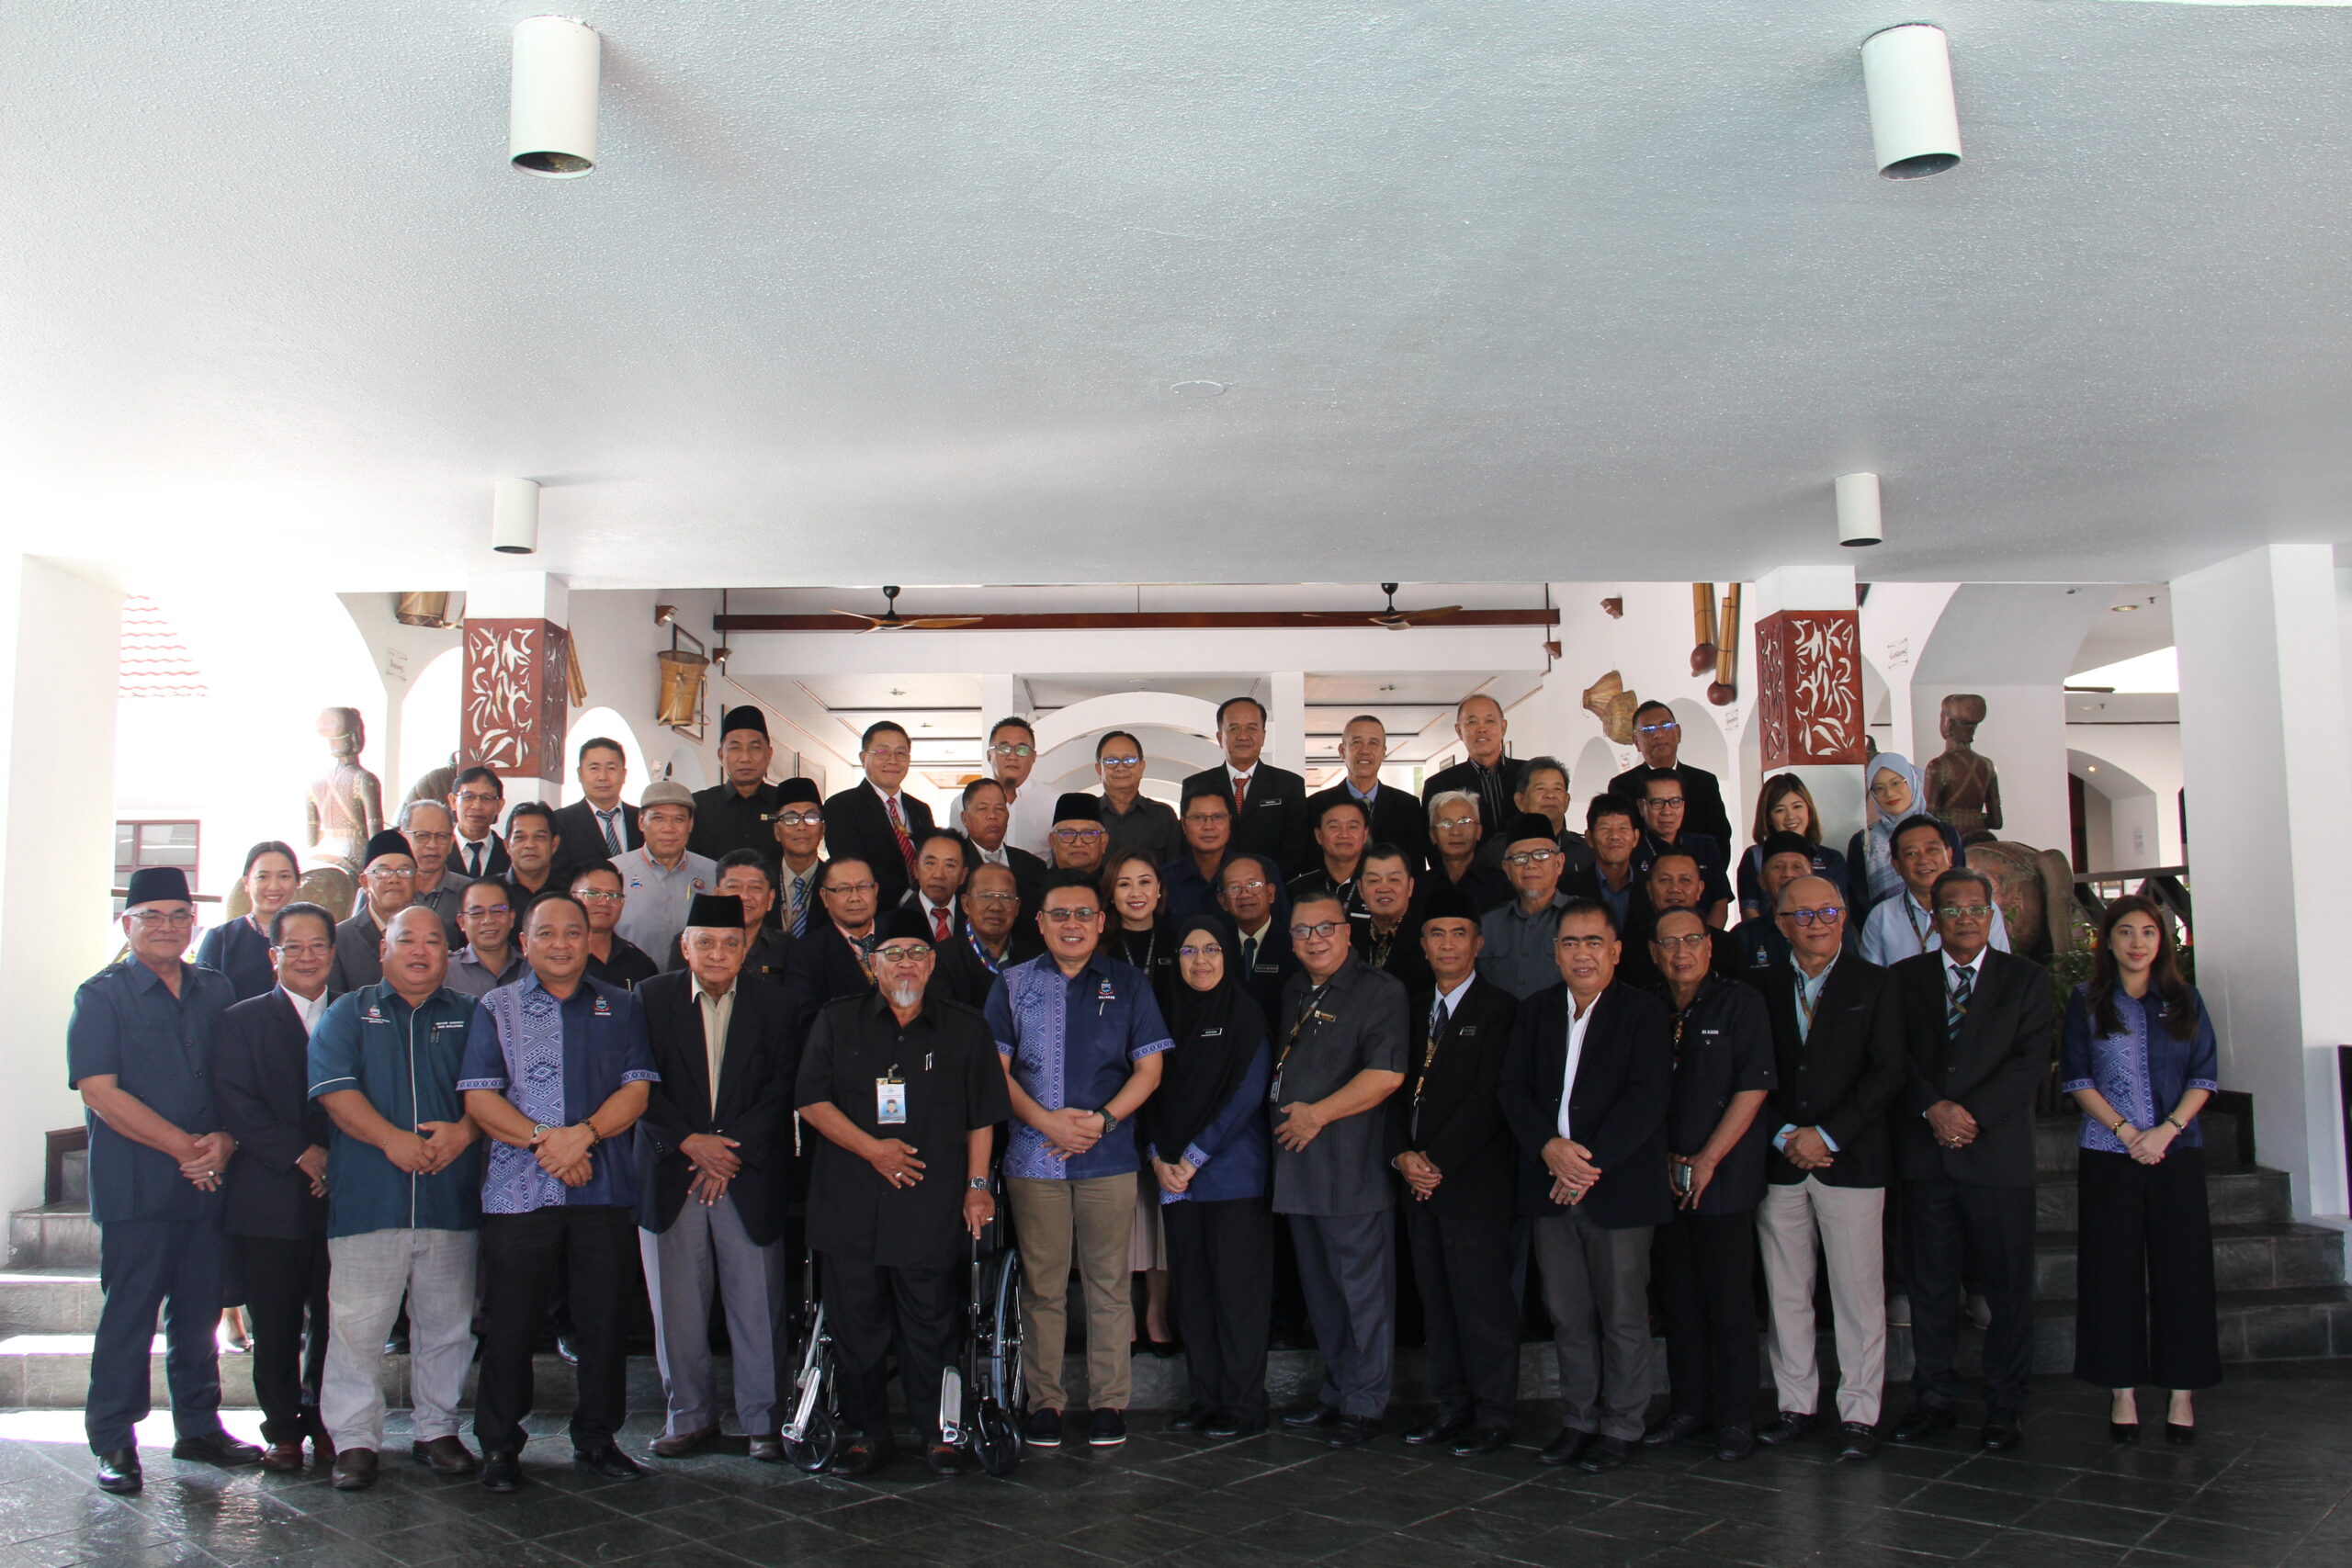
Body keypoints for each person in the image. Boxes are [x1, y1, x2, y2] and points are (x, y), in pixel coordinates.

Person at [458, 891, 660, 1492]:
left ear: (589, 938)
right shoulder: (495, 1006)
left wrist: (584, 1137)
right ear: (524, 942)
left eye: (573, 931)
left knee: (603, 1324)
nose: (561, 943)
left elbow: (637, 1091)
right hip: (518, 1193)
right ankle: (500, 1445)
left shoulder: (621, 1004)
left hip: (603, 1190)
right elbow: (480, 1097)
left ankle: (597, 1439)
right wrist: (551, 1144)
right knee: (510, 1325)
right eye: (546, 933)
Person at [69, 866, 260, 1494]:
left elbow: (236, 1076)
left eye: (179, 915)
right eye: (151, 915)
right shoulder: (101, 996)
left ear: (193, 923)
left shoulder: (216, 987)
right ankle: (114, 1438)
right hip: (138, 1189)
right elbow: (100, 1092)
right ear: (126, 923)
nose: (166, 926)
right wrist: (186, 1147)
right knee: (130, 1315)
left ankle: (199, 1427)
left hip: (209, 1183)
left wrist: (227, 1140)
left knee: (200, 1310)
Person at [798, 908, 1010, 1476]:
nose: (906, 964)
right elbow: (811, 1102)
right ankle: (866, 1433)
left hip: (931, 1204)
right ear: (874, 965)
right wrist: (874, 1150)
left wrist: (977, 1186)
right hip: (850, 1203)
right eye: (893, 954)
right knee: (856, 1327)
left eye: (917, 953)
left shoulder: (965, 1028)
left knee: (931, 1324)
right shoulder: (836, 1021)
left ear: (933, 963)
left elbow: (982, 1115)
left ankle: (939, 1432)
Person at [989, 870, 1173, 1450]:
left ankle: (1109, 1404)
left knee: (1108, 1284)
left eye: (1084, 914)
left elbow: (1149, 1069)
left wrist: (1104, 1121)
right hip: (1033, 1158)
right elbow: (994, 1072)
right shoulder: (1012, 984)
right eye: (1060, 914)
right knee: (1043, 1286)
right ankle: (1044, 1403)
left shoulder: (1129, 983)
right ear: (1040, 923)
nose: (1073, 924)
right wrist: (1046, 1122)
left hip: (1109, 1156)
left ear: (1101, 921)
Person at [307, 906, 485, 1490]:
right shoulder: (348, 1012)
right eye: (407, 939)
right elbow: (335, 1092)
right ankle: (355, 1441)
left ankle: (438, 1430)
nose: (420, 950)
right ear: (384, 947)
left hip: (449, 1199)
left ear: (447, 952)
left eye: (433, 941)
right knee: (357, 1330)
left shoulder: (472, 1014)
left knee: (447, 1327)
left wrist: (465, 1131)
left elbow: (493, 1092)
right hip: (369, 1201)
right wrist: (390, 1140)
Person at [1498, 899, 1672, 1474]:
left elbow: (1647, 1099)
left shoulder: (1644, 1013)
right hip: (1549, 1187)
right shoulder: (1536, 1011)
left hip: (1616, 1190)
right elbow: (1513, 1089)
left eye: (1593, 942)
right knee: (1567, 1313)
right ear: (1556, 952)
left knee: (1623, 1315)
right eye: (1570, 943)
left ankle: (1622, 1425)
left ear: (1615, 951)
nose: (1581, 954)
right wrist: (1549, 1149)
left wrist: (1584, 1168)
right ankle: (1579, 1420)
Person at [1890, 868, 2051, 1453]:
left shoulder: (2025, 980)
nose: (1965, 918)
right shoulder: (1904, 979)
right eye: (1952, 909)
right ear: (1934, 919)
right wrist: (1933, 1108)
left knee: (2007, 1290)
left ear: (1992, 915)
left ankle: (2005, 1405)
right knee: (1930, 1288)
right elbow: (1894, 1057)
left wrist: (1969, 1115)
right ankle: (1934, 1399)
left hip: (1997, 1159)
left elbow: (2030, 1061)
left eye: (1976, 909)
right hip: (1926, 1158)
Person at [635, 894, 799, 1462]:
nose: (718, 953)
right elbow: (637, 1082)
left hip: (745, 1173)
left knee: (757, 1305)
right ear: (685, 946)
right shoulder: (651, 998)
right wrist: (690, 1142)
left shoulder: (776, 1004)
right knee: (676, 1308)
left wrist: (729, 1152)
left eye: (731, 943)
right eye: (705, 942)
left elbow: (783, 1088)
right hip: (672, 1171)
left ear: (745, 948)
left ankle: (763, 1421)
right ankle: (688, 1417)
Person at [1752, 875, 1904, 1462]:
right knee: (1786, 1290)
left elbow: (1888, 1072)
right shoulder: (1759, 986)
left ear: (1844, 916)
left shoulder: (1877, 983)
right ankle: (1796, 1406)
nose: (1816, 923)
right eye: (1802, 914)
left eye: (1828, 912)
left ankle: (1860, 1414)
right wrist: (1787, 1134)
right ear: (1781, 924)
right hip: (1782, 1158)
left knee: (1858, 1295)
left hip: (1851, 1158)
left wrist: (1828, 1134)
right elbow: (1751, 1073)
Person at [2059, 896, 2221, 1443]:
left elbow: (2204, 1075)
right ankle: (2121, 1391)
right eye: (2125, 932)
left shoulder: (2185, 1000)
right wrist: (2129, 1134)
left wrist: (2165, 1131)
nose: (2137, 943)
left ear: (2161, 941)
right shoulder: (2086, 1000)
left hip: (2176, 1152)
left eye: (2148, 932)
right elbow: (2078, 1079)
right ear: (2107, 940)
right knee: (2111, 1272)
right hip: (2110, 1155)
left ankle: (2181, 1393)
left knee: (2184, 1271)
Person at [1270, 890, 1409, 1449]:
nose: (1315, 940)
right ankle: (1337, 1392)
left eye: (1326, 927)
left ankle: (1365, 1403)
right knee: (1324, 1296)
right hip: (1299, 1168)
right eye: (1302, 931)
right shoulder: (1294, 990)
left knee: (1362, 1295)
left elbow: (1386, 1075)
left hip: (1350, 1169)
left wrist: (1318, 1115)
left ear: (1348, 932)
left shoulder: (1380, 991)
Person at [1388, 889, 1520, 1457]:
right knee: (1437, 1304)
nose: (1447, 945)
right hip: (1416, 1183)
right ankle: (1451, 1406)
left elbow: (1490, 1099)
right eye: (1436, 934)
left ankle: (1493, 1414)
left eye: (1458, 934)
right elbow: (1391, 1088)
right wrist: (1402, 1156)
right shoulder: (1410, 1006)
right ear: (1422, 945)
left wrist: (1434, 1161)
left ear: (1478, 943)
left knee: (1483, 1304)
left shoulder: (1501, 1009)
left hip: (1472, 1183)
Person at [1642, 910, 1774, 1463]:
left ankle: (1736, 1417)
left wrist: (1709, 1158)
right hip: (1662, 1179)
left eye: (1692, 940)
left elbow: (1754, 1086)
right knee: (1678, 1300)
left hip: (1723, 1176)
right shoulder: (1647, 1006)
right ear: (1654, 953)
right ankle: (1688, 1409)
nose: (1682, 952)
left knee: (1729, 1300)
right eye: (1669, 943)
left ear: (1710, 946)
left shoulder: (1740, 1003)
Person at [215, 901, 338, 1471]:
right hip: (269, 1195)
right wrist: (302, 1154)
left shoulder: (356, 1014)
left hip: (342, 1194)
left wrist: (336, 1161)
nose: (307, 957)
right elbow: (235, 1102)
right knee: (276, 1321)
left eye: (318, 946)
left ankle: (328, 1421)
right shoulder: (240, 1021)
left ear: (333, 953)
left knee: (337, 1321)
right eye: (295, 947)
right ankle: (283, 1430)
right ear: (274, 955)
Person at [1146, 913, 1275, 1438]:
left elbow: (1247, 1095)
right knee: (1194, 1294)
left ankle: (1243, 1405)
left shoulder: (1245, 1014)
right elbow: (1147, 1088)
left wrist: (1193, 1157)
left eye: (1212, 950)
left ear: (1228, 955)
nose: (1201, 961)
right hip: (1174, 1179)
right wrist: (1157, 1158)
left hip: (1230, 1176)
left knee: (1237, 1294)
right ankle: (1205, 1399)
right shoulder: (1162, 1012)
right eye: (1189, 951)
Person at [1859, 816, 2012, 965]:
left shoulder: (1980, 910)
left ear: (1949, 856)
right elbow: (1873, 978)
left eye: (1932, 849)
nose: (1923, 860)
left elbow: (2001, 967)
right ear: (1896, 866)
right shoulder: (1881, 916)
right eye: (1911, 853)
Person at [822, 720, 935, 913]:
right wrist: (908, 899)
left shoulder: (920, 810)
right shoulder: (841, 806)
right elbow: (851, 865)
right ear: (863, 758)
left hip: (924, 914)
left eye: (901, 753)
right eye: (882, 752)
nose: (893, 760)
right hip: (872, 915)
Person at [1291, 715, 1427, 874]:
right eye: (1357, 742)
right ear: (1342, 751)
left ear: (1383, 752)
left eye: (1373, 743)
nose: (1365, 751)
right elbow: (1308, 866)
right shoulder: (1315, 805)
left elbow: (1416, 869)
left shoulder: (1408, 806)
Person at [1182, 696, 1306, 863]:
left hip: (1272, 879)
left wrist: (1267, 878)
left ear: (1263, 736)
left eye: (1251, 728)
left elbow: (1296, 846)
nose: (1243, 736)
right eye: (1234, 729)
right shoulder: (1195, 785)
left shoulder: (1289, 784)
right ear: (1220, 737)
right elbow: (1189, 842)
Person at [1845, 753, 1965, 923]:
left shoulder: (1944, 832)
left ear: (1912, 781)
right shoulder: (1864, 842)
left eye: (1896, 783)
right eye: (1879, 788)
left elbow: (1959, 885)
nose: (1889, 793)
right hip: (1886, 931)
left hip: (1944, 927)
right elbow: (1859, 903)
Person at [610, 781, 718, 962]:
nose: (668, 828)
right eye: (658, 818)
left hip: (692, 978)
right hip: (628, 977)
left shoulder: (712, 873)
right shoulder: (615, 872)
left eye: (678, 819)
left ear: (691, 824)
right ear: (641, 821)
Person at [781, 858, 883, 1039]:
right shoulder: (806, 953)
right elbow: (808, 1022)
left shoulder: (899, 936)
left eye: (863, 887)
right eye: (843, 889)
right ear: (825, 897)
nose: (855, 897)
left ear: (875, 890)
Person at [1609, 701, 1734, 847]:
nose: (1658, 734)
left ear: (1678, 733)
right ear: (1636, 742)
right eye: (1648, 729)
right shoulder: (1622, 786)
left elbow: (1720, 837)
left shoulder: (1704, 782)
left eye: (1666, 726)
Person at [1617, 852, 1742, 995]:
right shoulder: (1627, 946)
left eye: (1685, 880)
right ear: (1649, 889)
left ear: (1699, 889)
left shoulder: (1727, 946)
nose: (1675, 889)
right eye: (1665, 880)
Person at [1477, 813, 1573, 999]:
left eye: (1541, 855)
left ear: (1559, 863)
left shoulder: (1584, 919)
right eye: (1520, 858)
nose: (1531, 865)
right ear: (1507, 869)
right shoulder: (1487, 925)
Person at [665, 851, 792, 987]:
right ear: (716, 894)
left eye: (755, 888)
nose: (744, 896)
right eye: (733, 887)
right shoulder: (689, 941)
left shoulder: (787, 947)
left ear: (770, 898)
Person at [198, 840, 303, 1000]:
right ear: (246, 883)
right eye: (262, 877)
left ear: (297, 882)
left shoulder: (314, 937)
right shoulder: (221, 939)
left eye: (284, 876)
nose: (274, 886)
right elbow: (203, 1001)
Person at [1738, 775, 1849, 920]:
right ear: (1768, 818)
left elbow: (1838, 913)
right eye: (1780, 810)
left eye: (1797, 807)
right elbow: (1749, 911)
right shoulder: (1755, 856)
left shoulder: (1832, 859)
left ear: (1809, 810)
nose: (1790, 816)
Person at [691, 705, 789, 866]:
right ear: (721, 755)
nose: (745, 758)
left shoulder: (786, 804)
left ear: (769, 754)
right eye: (735, 748)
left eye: (755, 748)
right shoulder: (698, 806)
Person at [1630, 776, 1733, 920]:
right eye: (1657, 802)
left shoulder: (1705, 846)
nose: (1667, 811)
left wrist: (1706, 934)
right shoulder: (1631, 849)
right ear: (1642, 807)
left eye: (1675, 802)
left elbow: (1720, 902)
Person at [1421, 694, 1523, 836]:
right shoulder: (1438, 785)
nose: (1482, 729)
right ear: (1459, 731)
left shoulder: (1530, 774)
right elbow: (1432, 841)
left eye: (1489, 721)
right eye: (1472, 722)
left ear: (1503, 727)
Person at [950, 715, 1052, 858]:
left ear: (1033, 757)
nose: (1012, 756)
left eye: (1022, 749)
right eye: (1004, 749)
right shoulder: (961, 803)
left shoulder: (1053, 801)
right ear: (989, 755)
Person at [329, 829, 418, 992]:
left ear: (416, 880)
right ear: (364, 881)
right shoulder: (339, 938)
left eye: (404, 871)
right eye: (382, 872)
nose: (394, 879)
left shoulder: (440, 932)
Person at [934, 861, 1025, 1009]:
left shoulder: (1036, 958)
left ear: (1017, 907)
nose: (996, 907)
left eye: (1006, 897)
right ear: (966, 904)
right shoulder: (941, 959)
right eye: (986, 896)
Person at [550, 736, 640, 885]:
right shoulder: (560, 821)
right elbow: (556, 876)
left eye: (611, 768)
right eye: (594, 768)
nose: (602, 777)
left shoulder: (642, 819)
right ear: (580, 774)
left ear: (624, 775)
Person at [1729, 833, 1817, 980]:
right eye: (1778, 867)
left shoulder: (1827, 930)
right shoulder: (1743, 937)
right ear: (1762, 881)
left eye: (1797, 866)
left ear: (1812, 877)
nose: (1788, 874)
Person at [1218, 853, 1295, 1020]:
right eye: (1234, 887)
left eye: (1253, 885)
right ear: (1223, 901)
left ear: (1271, 893)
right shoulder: (1216, 947)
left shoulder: (1293, 945)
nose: (1245, 894)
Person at [390, 798, 474, 948]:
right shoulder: (381, 889)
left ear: (452, 841)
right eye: (422, 835)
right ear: (403, 839)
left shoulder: (470, 892)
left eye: (441, 836)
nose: (432, 845)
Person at [1286, 797, 1373, 938]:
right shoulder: (1297, 890)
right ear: (1319, 835)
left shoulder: (1379, 886)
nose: (1344, 834)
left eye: (1352, 827)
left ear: (1365, 834)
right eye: (1334, 826)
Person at [1095, 730, 1184, 867]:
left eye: (1129, 761)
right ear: (1099, 769)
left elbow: (1176, 871)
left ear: (1142, 767)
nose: (1120, 767)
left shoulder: (1163, 816)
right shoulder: (1085, 815)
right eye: (1111, 761)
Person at [1498, 755, 1594, 880]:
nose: (1550, 795)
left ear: (1567, 801)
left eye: (1558, 789)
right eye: (1540, 788)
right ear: (1520, 801)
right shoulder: (1498, 851)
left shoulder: (1588, 852)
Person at [573, 863, 661, 990]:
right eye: (592, 894)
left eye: (613, 895)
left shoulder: (640, 963)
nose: (603, 902)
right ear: (572, 897)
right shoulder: (558, 956)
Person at [1565, 795, 1643, 934]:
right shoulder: (1568, 889)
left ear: (1635, 837)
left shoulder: (1650, 886)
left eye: (1623, 828)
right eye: (1605, 829)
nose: (1615, 836)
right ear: (1589, 838)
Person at [1103, 850, 1176, 1000]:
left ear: (1158, 888)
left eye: (1144, 882)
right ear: (1111, 894)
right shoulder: (1097, 945)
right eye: (1124, 884)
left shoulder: (1176, 939)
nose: (1136, 893)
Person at [1425, 789, 1511, 913]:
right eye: (1446, 824)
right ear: (1433, 835)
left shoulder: (1502, 884)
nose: (1456, 832)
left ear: (1479, 831)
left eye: (1464, 822)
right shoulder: (1419, 887)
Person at [1360, 845, 1431, 993]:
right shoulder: (1348, 937)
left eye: (1394, 880)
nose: (1384, 888)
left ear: (1410, 886)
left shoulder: (1428, 937)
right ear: (1360, 889)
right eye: (1374, 880)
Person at [1163, 784, 1236, 928]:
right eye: (1198, 818)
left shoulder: (1258, 872)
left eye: (1217, 817)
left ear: (1229, 822)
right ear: (1184, 825)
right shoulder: (1165, 878)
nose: (1208, 826)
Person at [770, 777, 830, 937]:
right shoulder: (763, 881)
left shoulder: (836, 882)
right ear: (777, 831)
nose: (801, 827)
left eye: (811, 818)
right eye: (791, 818)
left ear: (822, 830)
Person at [447, 877, 525, 998]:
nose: (488, 920)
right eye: (477, 913)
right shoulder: (444, 971)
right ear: (461, 922)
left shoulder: (533, 968)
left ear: (511, 917)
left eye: (498, 911)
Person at [906, 828, 969, 942]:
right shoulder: (896, 920)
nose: (939, 875)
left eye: (950, 865)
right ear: (916, 869)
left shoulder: (974, 918)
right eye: (930, 863)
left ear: (963, 875)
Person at [448, 765, 511, 880]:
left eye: (486, 798)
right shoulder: (438, 849)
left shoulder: (509, 854)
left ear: (499, 805)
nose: (477, 806)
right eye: (468, 797)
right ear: (453, 801)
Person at [502, 801, 563, 902]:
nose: (530, 845)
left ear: (554, 844)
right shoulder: (490, 893)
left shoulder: (570, 891)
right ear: (507, 845)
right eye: (520, 837)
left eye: (539, 837)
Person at [1047, 791, 1111, 875]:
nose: (1078, 843)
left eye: (1088, 834)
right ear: (1053, 842)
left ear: (1103, 842)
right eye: (1068, 834)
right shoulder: (1037, 883)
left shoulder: (1116, 882)